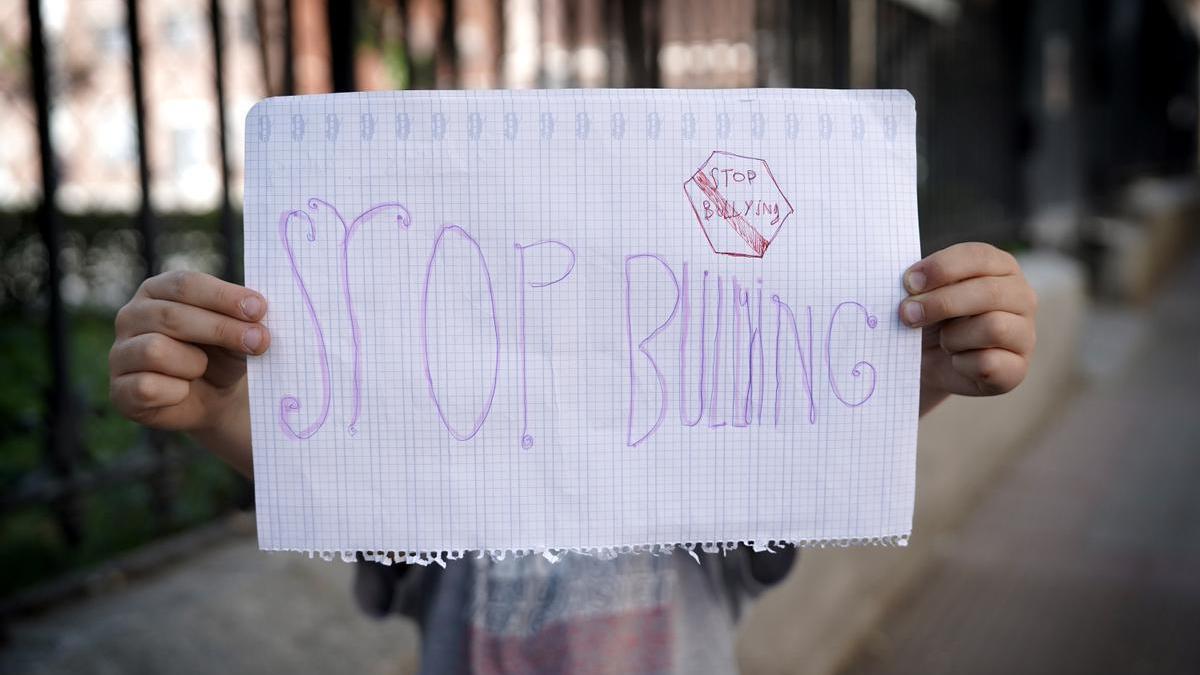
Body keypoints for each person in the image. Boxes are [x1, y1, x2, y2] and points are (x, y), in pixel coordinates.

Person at [109, 242, 1037, 674]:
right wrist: (216, 413)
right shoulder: (443, 481)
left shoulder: (703, 476)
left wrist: (923, 371)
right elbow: (341, 474)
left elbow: (805, 439)